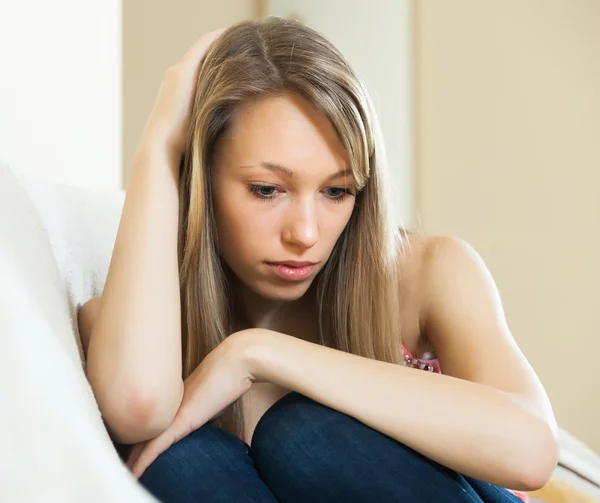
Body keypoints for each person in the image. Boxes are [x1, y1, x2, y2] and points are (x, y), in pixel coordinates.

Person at [77, 17, 559, 503]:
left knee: (302, 434)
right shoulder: (148, 322)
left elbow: (533, 451)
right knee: (181, 456)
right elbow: (135, 405)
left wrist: (256, 354)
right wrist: (160, 146)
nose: (306, 233)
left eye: (336, 191)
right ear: (200, 178)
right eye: (267, 190)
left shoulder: (427, 273)